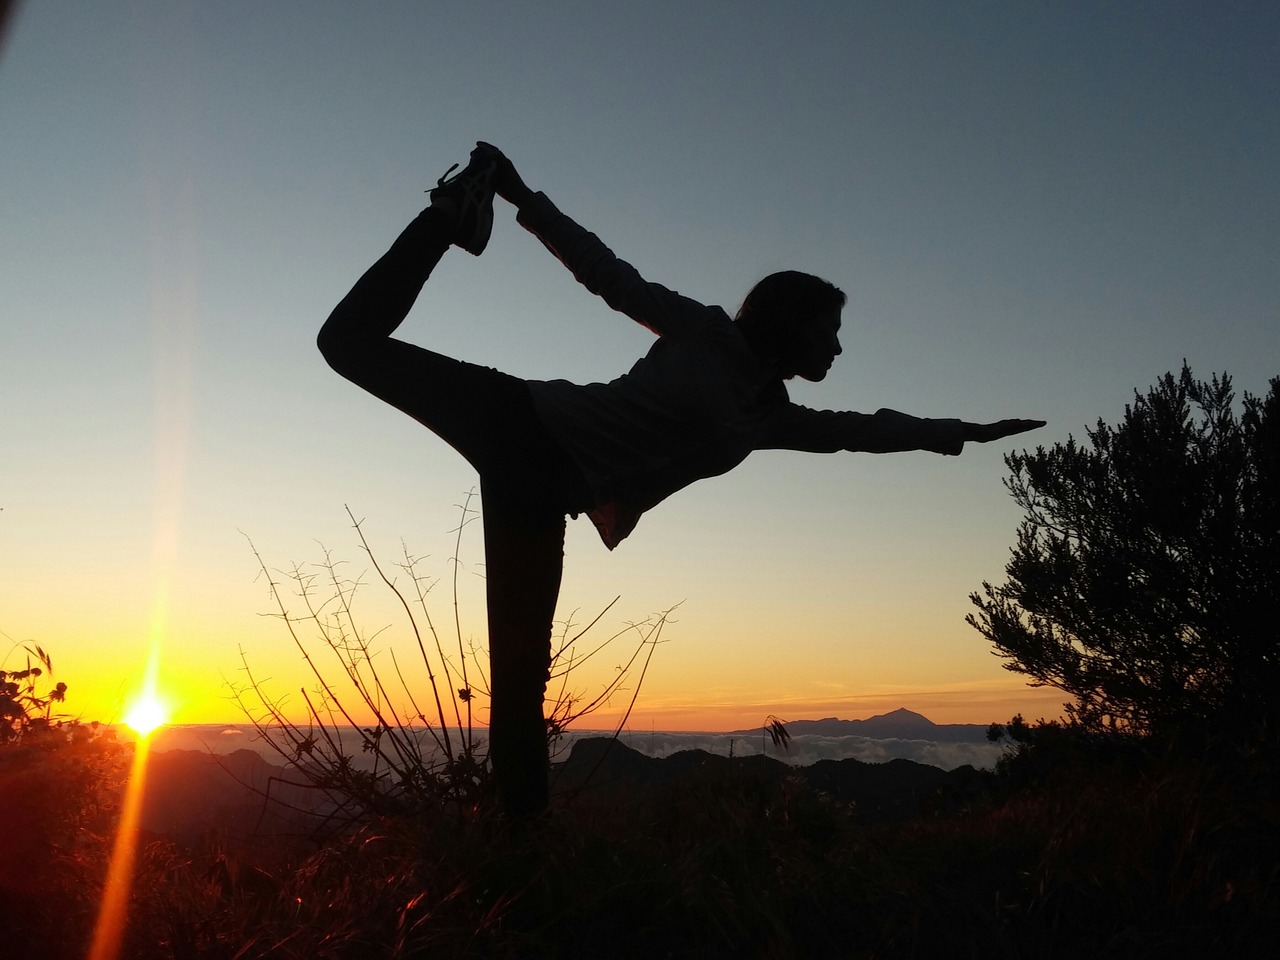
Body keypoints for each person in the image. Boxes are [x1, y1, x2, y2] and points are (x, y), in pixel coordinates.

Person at [317, 142, 1044, 817]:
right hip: (524, 420)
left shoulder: (766, 417)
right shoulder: (703, 331)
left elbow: (859, 431)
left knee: (519, 689)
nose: (838, 346)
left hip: (540, 494)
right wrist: (517, 195)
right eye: (828, 330)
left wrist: (959, 433)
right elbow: (607, 274)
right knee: (346, 342)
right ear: (788, 324)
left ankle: (523, 862)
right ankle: (453, 213)